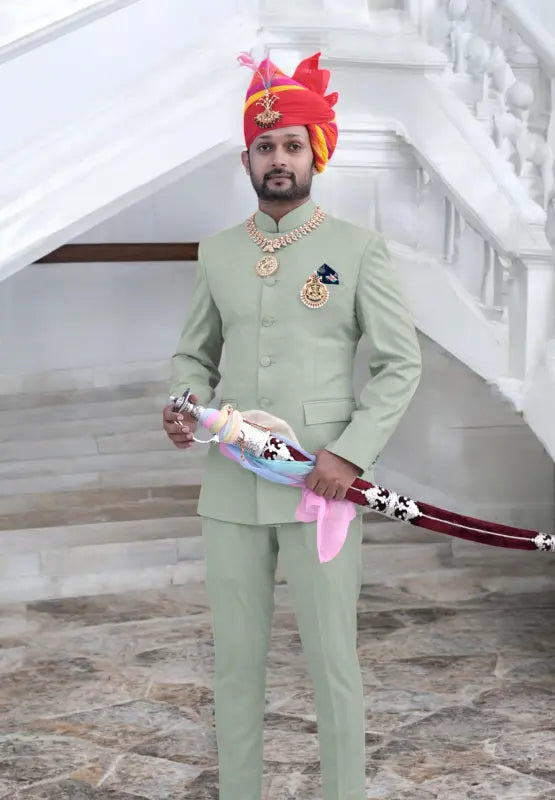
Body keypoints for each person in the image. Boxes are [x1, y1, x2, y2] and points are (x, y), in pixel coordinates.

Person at [162, 51, 421, 800]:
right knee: (235, 663)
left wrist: (349, 455)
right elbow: (192, 354)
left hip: (319, 487)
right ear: (247, 156)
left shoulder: (355, 252)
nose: (278, 159)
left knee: (331, 661)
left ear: (316, 154)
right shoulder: (217, 252)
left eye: (291, 146)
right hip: (229, 488)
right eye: (264, 146)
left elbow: (399, 365)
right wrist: (183, 402)